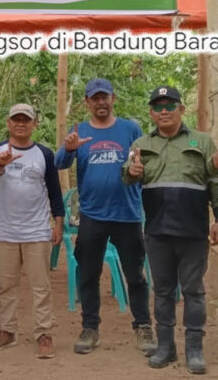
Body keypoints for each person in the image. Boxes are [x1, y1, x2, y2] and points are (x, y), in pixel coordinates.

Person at [123, 86, 218, 374]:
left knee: (194, 291)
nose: (164, 112)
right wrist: (131, 171)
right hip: (157, 231)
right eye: (158, 107)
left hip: (193, 231)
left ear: (181, 109)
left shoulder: (202, 141)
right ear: (151, 113)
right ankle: (165, 347)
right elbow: (127, 174)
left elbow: (216, 181)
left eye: (169, 106)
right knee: (162, 291)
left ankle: (194, 350)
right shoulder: (141, 144)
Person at [53, 77, 154, 357]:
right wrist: (69, 148)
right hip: (92, 215)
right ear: (87, 102)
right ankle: (90, 329)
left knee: (135, 275)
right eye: (95, 98)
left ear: (113, 99)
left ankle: (143, 326)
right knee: (88, 275)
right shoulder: (80, 131)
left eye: (104, 97)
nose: (101, 102)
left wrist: (138, 169)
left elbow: (143, 164)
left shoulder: (130, 129)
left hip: (127, 214)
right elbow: (59, 163)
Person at [0, 103, 64, 359]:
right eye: (16, 119)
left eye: (25, 120)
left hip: (37, 231)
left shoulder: (44, 154)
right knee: (6, 286)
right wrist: (0, 164)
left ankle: (44, 333)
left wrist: (58, 223)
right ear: (8, 123)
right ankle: (7, 331)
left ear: (34, 124)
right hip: (5, 231)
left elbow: (54, 191)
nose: (20, 124)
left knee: (41, 286)